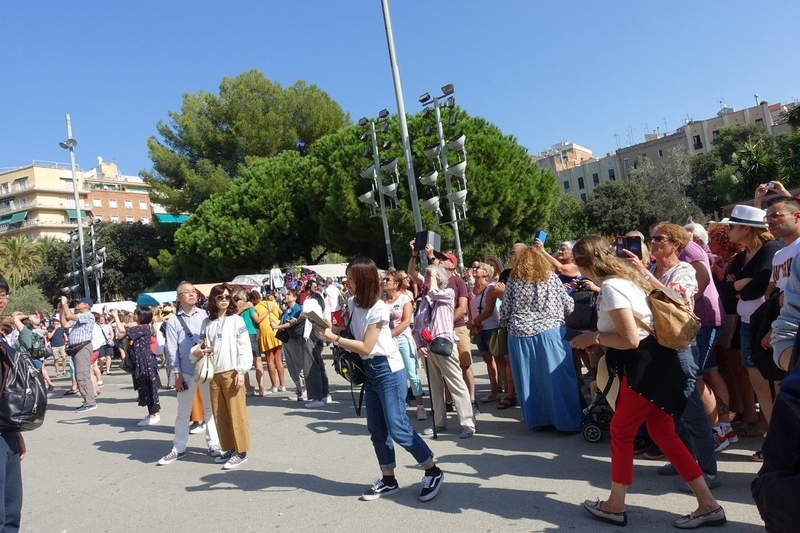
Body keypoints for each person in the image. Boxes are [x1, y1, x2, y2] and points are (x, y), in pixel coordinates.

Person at [570, 235, 726, 529]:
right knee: (663, 433)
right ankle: (708, 504)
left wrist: (596, 337)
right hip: (656, 365)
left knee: (621, 431)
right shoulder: (626, 279)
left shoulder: (612, 286)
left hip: (644, 369)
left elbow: (629, 339)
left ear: (582, 263)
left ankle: (615, 505)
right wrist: (602, 339)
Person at [314, 258, 444, 502]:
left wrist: (334, 339)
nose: (347, 282)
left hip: (388, 370)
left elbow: (366, 345)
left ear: (363, 280)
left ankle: (432, 470)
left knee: (399, 428)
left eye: (350, 278)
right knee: (376, 429)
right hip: (370, 371)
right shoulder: (352, 303)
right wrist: (328, 329)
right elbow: (355, 335)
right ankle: (388, 479)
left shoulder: (380, 308)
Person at [625, 223, 719, 490]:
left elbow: (676, 298)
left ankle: (708, 470)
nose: (652, 242)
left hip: (680, 345)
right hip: (658, 345)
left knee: (690, 409)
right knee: (670, 407)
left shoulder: (684, 269)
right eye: (651, 238)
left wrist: (643, 273)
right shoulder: (654, 269)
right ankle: (684, 462)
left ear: (675, 244)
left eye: (659, 239)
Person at [499, 246, 581, 432]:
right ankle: (567, 421)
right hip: (551, 332)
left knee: (530, 379)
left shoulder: (513, 280)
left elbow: (505, 311)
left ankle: (539, 420)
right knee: (558, 378)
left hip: (520, 334)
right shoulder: (551, 278)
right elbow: (568, 305)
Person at [723, 205, 782, 440]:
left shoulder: (770, 249)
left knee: (775, 382)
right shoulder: (741, 256)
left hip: (767, 323)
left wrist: (738, 286)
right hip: (747, 324)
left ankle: (781, 437)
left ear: (746, 228)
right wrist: (739, 285)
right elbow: (724, 289)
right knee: (758, 382)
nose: (728, 231)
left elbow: (759, 287)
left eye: (731, 226)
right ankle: (773, 438)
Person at [157, 281, 221, 466]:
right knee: (183, 412)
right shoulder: (173, 322)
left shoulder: (205, 315)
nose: (192, 294)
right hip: (185, 371)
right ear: (179, 298)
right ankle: (179, 447)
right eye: (187, 292)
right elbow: (171, 350)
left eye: (194, 291)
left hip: (206, 369)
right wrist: (175, 374)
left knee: (210, 410)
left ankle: (214, 445)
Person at [195, 283, 252, 470]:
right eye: (221, 297)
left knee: (237, 413)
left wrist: (242, 371)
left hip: (232, 371)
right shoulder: (207, 322)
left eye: (228, 297)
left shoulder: (236, 320)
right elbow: (201, 344)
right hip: (214, 372)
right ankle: (228, 447)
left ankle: (241, 450)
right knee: (220, 414)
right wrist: (201, 350)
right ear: (213, 299)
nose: (225, 300)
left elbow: (244, 347)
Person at [0, 275, 25, 532]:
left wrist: (15, 430)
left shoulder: (2, 338)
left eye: (3, 294)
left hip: (6, 431)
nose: (0, 299)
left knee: (10, 509)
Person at [383, 270, 425, 419]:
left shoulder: (404, 299)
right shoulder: (381, 301)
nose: (384, 282)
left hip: (402, 339)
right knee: (393, 374)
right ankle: (400, 405)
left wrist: (389, 334)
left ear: (396, 284)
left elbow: (406, 322)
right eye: (384, 279)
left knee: (411, 373)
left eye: (387, 280)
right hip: (388, 343)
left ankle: (420, 406)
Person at [113, 306, 161, 426]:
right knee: (146, 386)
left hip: (144, 359)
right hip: (141, 359)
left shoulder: (143, 327)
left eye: (136, 314)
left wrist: (115, 316)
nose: (133, 316)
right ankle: (152, 414)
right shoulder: (142, 327)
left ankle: (153, 415)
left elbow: (121, 331)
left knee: (148, 387)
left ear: (141, 316)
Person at [466, 261, 502, 403]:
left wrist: (474, 322)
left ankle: (502, 389)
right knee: (487, 359)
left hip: (490, 327)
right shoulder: (471, 290)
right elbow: (470, 309)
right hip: (479, 329)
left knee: (498, 359)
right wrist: (472, 324)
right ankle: (494, 390)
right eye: (474, 267)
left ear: (486, 273)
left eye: (478, 268)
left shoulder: (490, 289)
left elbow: (488, 310)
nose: (474, 269)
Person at [59, 295, 97, 413]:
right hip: (77, 348)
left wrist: (65, 304)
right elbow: (64, 324)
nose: (77, 304)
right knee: (79, 375)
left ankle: (90, 402)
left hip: (83, 346)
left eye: (79, 303)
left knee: (82, 375)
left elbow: (69, 316)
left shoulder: (88, 315)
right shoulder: (80, 317)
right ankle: (87, 401)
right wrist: (61, 310)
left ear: (86, 305)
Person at [271, 289, 306, 401]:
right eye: (286, 294)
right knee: (291, 366)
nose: (286, 296)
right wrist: (275, 322)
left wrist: (278, 327)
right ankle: (299, 389)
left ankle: (305, 390)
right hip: (286, 340)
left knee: (298, 364)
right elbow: (282, 322)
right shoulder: (286, 310)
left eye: (289, 294)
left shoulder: (297, 309)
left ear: (295, 297)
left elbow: (290, 324)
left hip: (295, 339)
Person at [233, 288, 266, 397]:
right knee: (258, 363)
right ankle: (261, 388)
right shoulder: (249, 305)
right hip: (251, 334)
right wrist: (267, 311)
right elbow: (257, 319)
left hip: (239, 335)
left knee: (244, 364)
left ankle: (249, 389)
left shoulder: (233, 308)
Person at [252, 290, 285, 393]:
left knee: (270, 360)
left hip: (265, 333)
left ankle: (274, 386)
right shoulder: (272, 303)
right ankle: (282, 385)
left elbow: (256, 321)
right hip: (276, 330)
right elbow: (281, 314)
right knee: (278, 359)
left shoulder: (255, 308)